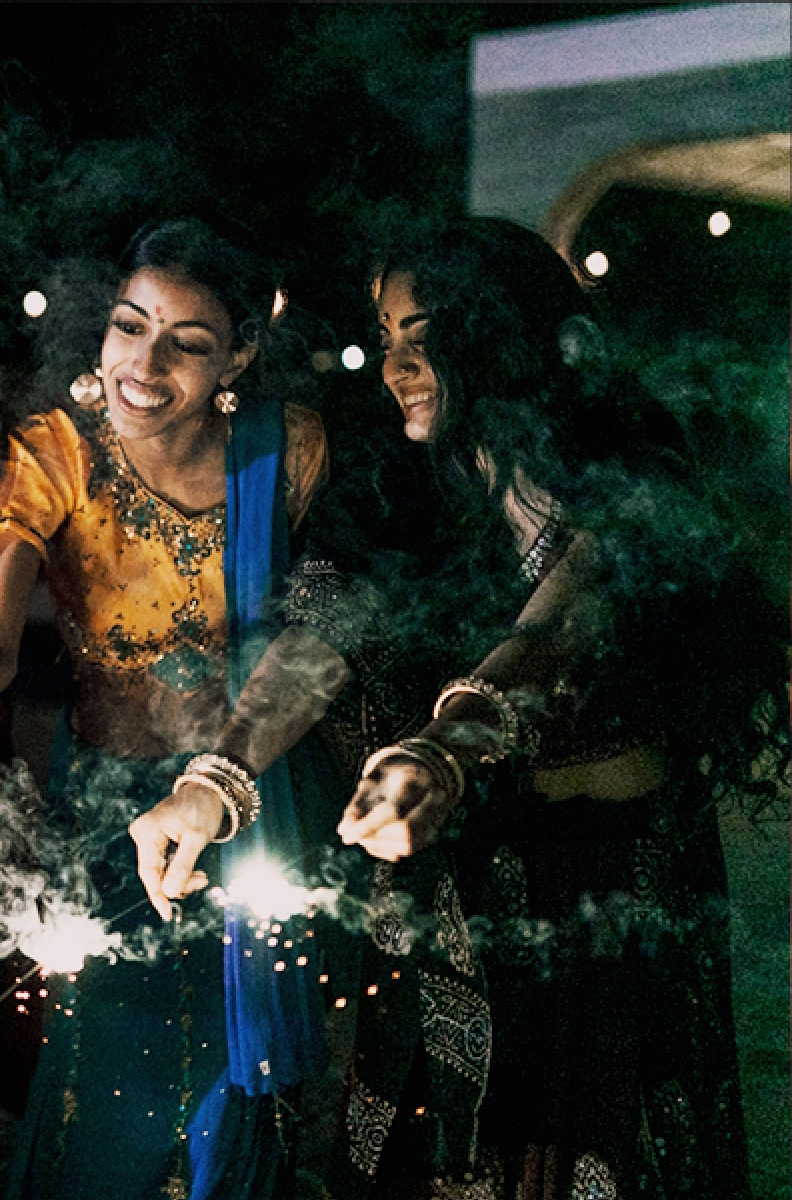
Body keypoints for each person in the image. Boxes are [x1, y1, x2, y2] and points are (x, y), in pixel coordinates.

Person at [0, 219, 334, 1198]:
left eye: (189, 343)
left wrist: (229, 776)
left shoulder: (283, 450)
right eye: (129, 326)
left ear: (238, 356)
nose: (145, 362)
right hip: (112, 816)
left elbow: (317, 631)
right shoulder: (58, 452)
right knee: (110, 1084)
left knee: (234, 1079)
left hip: (251, 791)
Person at [336, 217, 768, 1198]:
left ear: (498, 331)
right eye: (386, 336)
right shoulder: (428, 485)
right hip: (484, 880)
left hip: (612, 891)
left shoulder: (627, 469)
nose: (397, 364)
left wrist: (448, 741)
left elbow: (562, 614)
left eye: (422, 333)